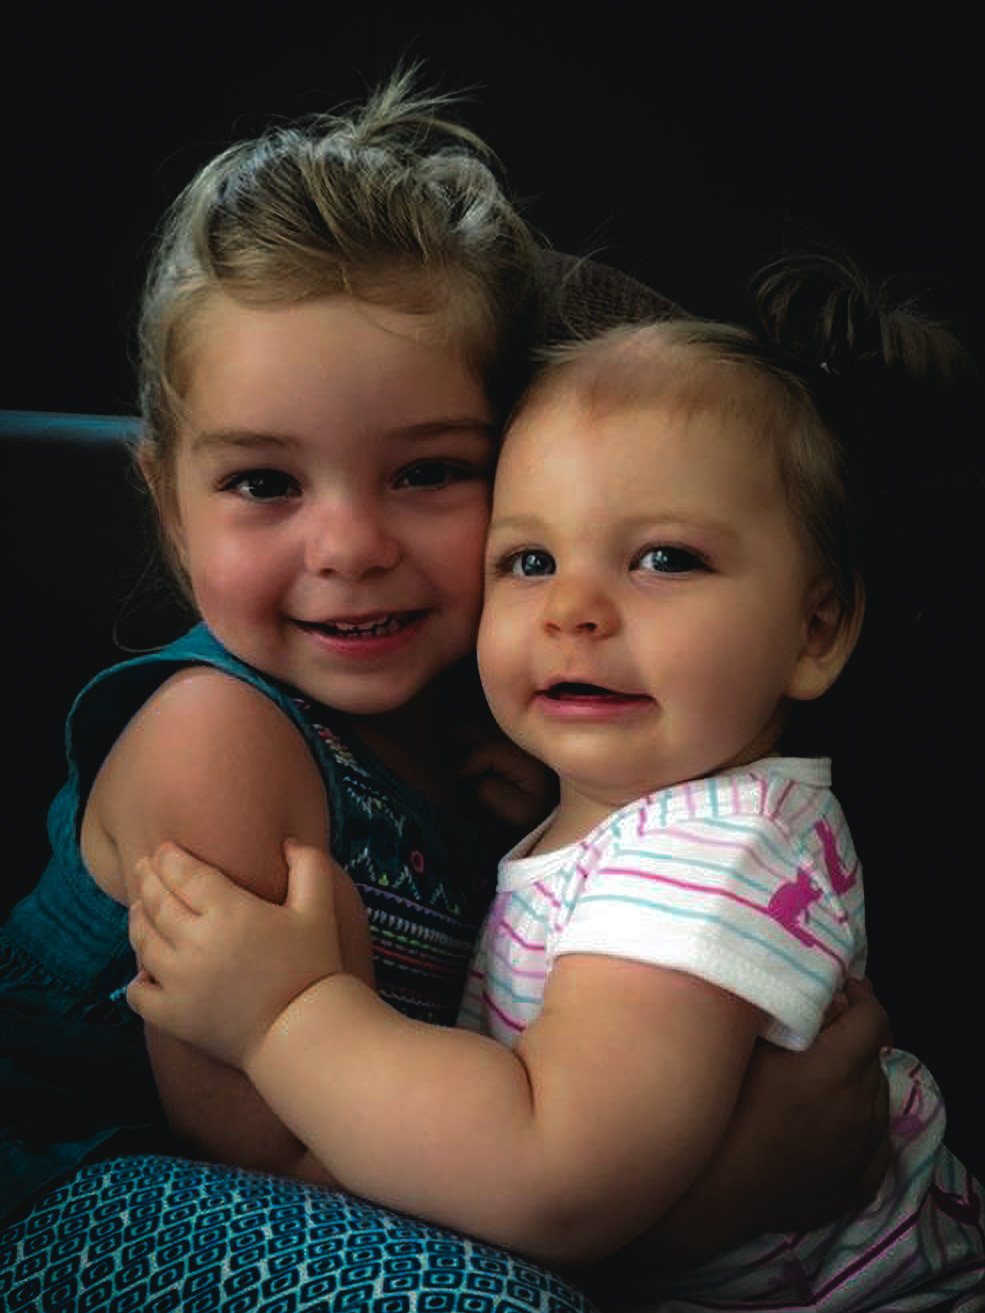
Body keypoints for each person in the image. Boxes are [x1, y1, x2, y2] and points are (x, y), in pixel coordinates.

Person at [0, 70, 893, 1312]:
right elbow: (278, 1163)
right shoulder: (214, 746)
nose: (350, 544)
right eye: (264, 482)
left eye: (427, 471)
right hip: (94, 1195)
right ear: (165, 502)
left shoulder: (544, 725)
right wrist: (723, 1191)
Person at [126, 256, 984, 1309]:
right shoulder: (645, 819)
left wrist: (288, 1013)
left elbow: (548, 1172)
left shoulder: (708, 852)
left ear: (815, 628)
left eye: (664, 558)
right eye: (529, 561)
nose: (572, 608)